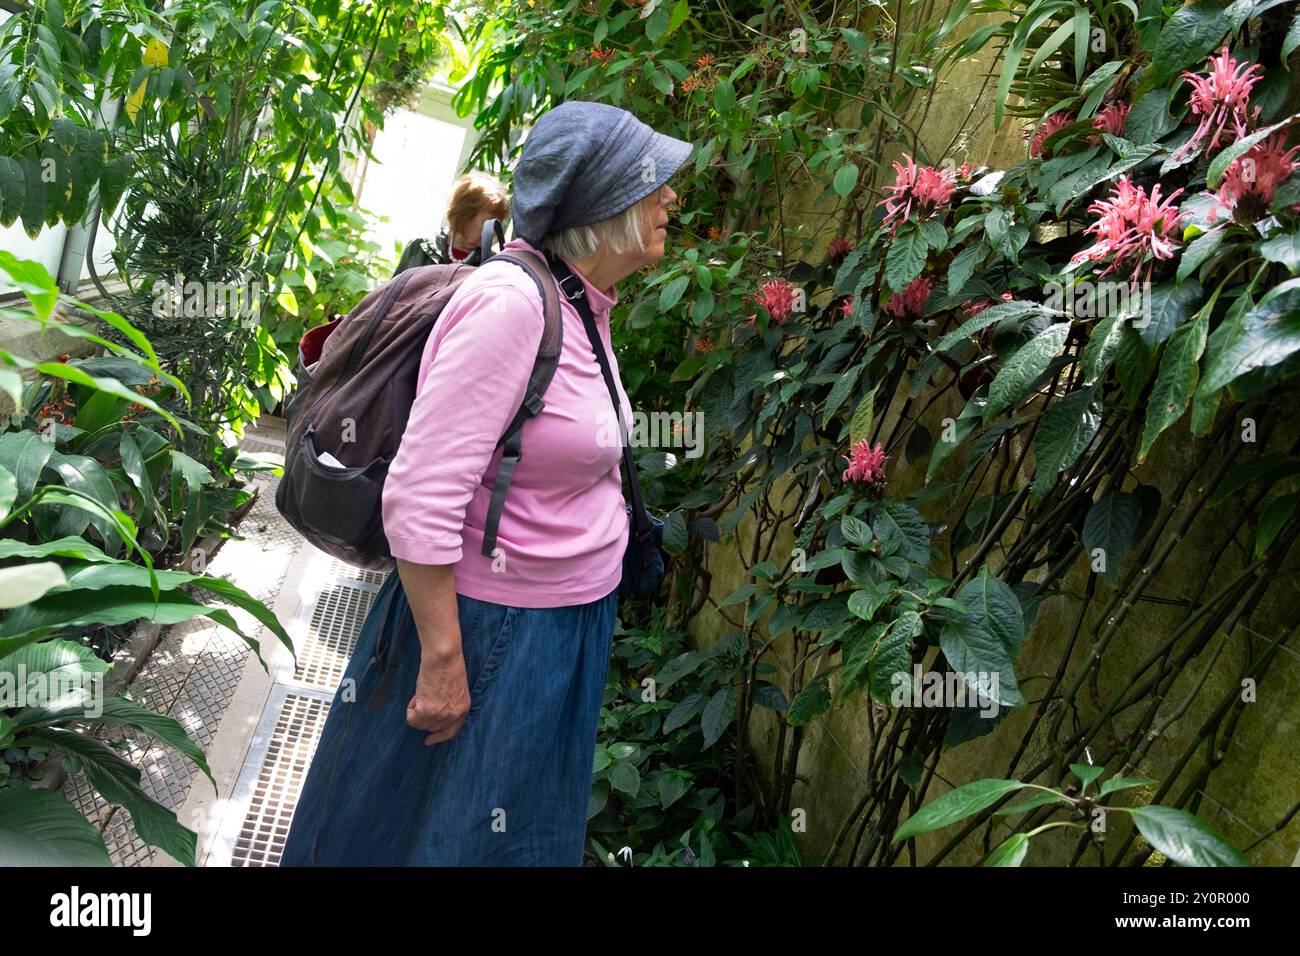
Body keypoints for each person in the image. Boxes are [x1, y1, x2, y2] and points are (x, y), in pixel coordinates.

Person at [278, 101, 691, 867]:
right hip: (488, 630)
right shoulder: (509, 304)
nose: (673, 198)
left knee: (495, 839)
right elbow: (421, 493)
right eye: (653, 184)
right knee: (432, 838)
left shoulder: (582, 302)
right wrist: (443, 660)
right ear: (600, 204)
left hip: (555, 628)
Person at [393, 170, 510, 272]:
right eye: (487, 222)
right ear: (464, 214)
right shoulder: (420, 246)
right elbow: (391, 294)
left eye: (496, 224)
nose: (493, 231)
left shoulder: (490, 265)